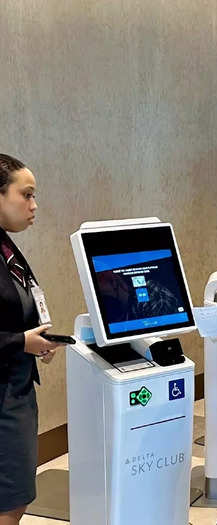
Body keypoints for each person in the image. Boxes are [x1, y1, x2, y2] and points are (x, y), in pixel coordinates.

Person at [0, 154, 62, 525]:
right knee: (9, 500)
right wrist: (20, 342)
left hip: (17, 387)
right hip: (3, 393)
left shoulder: (7, 246)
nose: (34, 205)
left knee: (16, 495)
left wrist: (37, 337)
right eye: (26, 195)